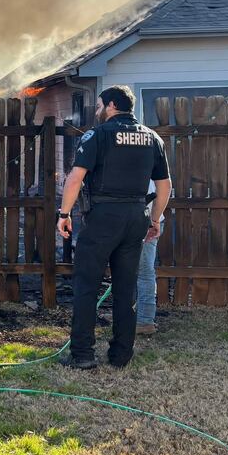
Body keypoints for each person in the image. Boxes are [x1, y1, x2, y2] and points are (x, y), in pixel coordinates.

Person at [57, 85, 172, 370]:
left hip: (103, 216)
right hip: (136, 216)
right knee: (125, 287)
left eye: (98, 106)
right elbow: (164, 186)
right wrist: (154, 219)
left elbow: (75, 179)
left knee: (86, 284)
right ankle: (121, 354)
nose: (97, 111)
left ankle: (82, 354)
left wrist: (64, 213)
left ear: (110, 105)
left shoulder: (97, 135)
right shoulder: (152, 138)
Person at [135, 180, 164, 335]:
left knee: (144, 272)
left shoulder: (141, 160)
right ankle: (133, 316)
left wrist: (152, 222)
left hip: (147, 222)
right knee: (134, 271)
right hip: (140, 221)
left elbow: (159, 191)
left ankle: (144, 321)